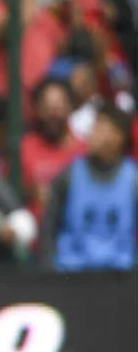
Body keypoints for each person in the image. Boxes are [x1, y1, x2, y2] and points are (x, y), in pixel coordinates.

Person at [43, 105, 136, 272]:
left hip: (122, 277)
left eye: (100, 126)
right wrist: (49, 267)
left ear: (118, 136)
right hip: (72, 275)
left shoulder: (133, 179)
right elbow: (48, 225)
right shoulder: (70, 175)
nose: (92, 133)